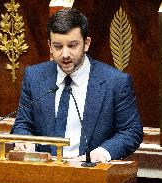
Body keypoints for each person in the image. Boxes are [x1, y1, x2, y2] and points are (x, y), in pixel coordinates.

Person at [10, 8, 143, 162]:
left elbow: (131, 131)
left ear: (86, 44)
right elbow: (22, 124)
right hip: (44, 172)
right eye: (58, 46)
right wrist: (25, 141)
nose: (65, 54)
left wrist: (102, 153)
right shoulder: (34, 77)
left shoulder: (115, 82)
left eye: (72, 45)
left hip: (91, 173)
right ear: (50, 46)